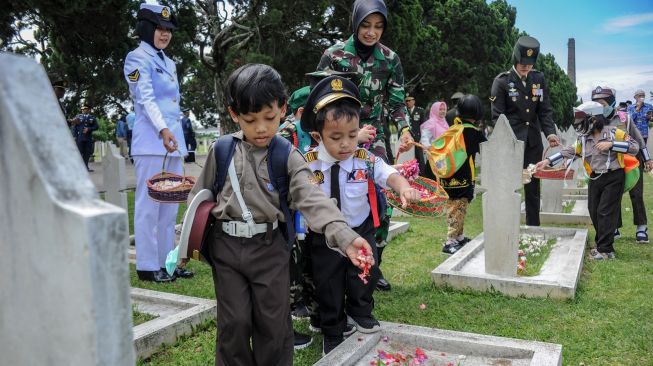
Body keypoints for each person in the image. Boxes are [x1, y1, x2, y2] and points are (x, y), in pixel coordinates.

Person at [188, 64, 375, 366]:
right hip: (226, 248)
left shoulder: (286, 154)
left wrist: (344, 235)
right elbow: (199, 199)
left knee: (273, 324)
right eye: (250, 120)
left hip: (270, 249)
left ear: (283, 108)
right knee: (233, 323)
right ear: (234, 114)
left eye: (270, 118)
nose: (261, 128)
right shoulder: (220, 150)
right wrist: (185, 243)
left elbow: (312, 197)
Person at [300, 75, 419, 354]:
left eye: (352, 136)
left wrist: (403, 187)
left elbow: (388, 173)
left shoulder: (363, 159)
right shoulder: (307, 162)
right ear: (318, 136)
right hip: (324, 237)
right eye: (336, 137)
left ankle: (361, 312)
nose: (346, 144)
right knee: (327, 283)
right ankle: (332, 328)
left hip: (360, 230)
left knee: (365, 273)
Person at [317, 0, 414, 292]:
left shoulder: (390, 59)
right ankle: (332, 263)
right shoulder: (333, 55)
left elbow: (397, 103)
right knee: (337, 197)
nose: (372, 32)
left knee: (381, 205)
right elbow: (318, 97)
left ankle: (373, 264)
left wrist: (406, 129)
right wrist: (348, 132)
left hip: (376, 141)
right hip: (337, 137)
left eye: (378, 26)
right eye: (366, 25)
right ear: (355, 23)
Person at [123, 3, 191, 283]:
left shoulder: (169, 62)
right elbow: (145, 98)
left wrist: (173, 135)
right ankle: (148, 266)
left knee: (170, 206)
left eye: (168, 30)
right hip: (152, 141)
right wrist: (163, 129)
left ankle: (168, 263)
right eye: (160, 29)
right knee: (149, 206)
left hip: (172, 142)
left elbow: (172, 103)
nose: (165, 35)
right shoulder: (136, 58)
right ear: (146, 29)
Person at [535, 101, 639, 260]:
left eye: (581, 121)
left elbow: (634, 147)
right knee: (594, 210)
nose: (578, 125)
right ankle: (601, 243)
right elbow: (569, 152)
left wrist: (611, 145)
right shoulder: (583, 139)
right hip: (595, 177)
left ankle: (606, 251)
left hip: (613, 176)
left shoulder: (614, 133)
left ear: (594, 120)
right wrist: (548, 161)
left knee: (605, 211)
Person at [490, 35, 560, 227]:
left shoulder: (538, 79)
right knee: (507, 184)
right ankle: (505, 224)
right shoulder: (502, 81)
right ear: (515, 58)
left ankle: (533, 225)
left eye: (529, 64)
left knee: (533, 185)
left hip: (532, 141)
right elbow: (498, 117)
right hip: (510, 142)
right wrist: (506, 141)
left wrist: (550, 133)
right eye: (522, 63)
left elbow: (544, 110)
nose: (525, 67)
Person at [596, 87, 652, 243]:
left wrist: (647, 159)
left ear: (611, 102)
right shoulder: (595, 118)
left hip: (632, 160)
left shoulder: (624, 118)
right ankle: (614, 227)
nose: (600, 105)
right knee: (613, 194)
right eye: (597, 103)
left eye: (602, 102)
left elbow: (638, 139)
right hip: (612, 162)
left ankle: (641, 227)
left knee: (636, 192)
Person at [437, 95, 487, 254]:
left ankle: (459, 237)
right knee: (456, 209)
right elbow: (488, 149)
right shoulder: (473, 132)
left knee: (458, 207)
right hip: (463, 179)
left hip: (449, 176)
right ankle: (450, 241)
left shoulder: (454, 129)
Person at [419, 101, 449, 179]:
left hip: (444, 154)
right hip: (434, 155)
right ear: (435, 110)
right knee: (434, 177)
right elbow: (424, 138)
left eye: (444, 109)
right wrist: (429, 149)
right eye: (440, 109)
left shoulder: (444, 123)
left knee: (442, 175)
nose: (443, 111)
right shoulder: (431, 123)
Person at [71, 104, 99, 172]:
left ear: (89, 110)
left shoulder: (92, 118)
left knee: (87, 153)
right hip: (80, 138)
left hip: (88, 138)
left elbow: (96, 127)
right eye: (82, 109)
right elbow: (74, 127)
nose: (83, 110)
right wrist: (74, 136)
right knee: (79, 153)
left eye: (85, 109)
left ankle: (85, 167)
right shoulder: (78, 117)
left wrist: (89, 129)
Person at [406, 94, 426, 174]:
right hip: (408, 136)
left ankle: (423, 173)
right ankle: (410, 172)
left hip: (417, 136)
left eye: (409, 101)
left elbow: (423, 124)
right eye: (406, 101)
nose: (407, 102)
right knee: (408, 156)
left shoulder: (420, 111)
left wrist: (422, 137)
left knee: (419, 156)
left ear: (413, 101)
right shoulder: (404, 111)